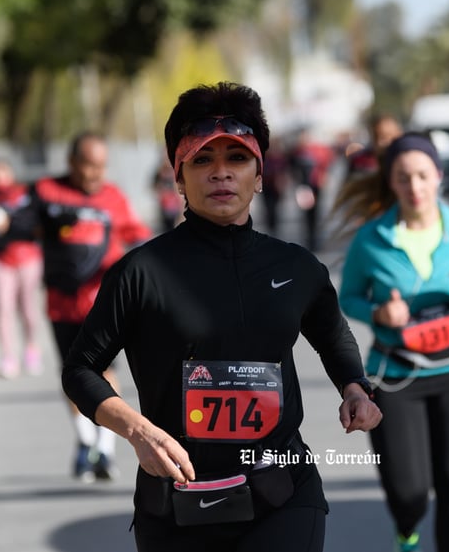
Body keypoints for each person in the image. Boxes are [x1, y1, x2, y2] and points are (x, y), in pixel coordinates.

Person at [61, 82, 383, 552]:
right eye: (202, 160)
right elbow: (80, 370)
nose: (220, 173)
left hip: (282, 489)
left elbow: (332, 336)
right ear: (179, 175)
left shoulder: (295, 267)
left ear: (258, 175)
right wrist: (137, 430)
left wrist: (355, 387)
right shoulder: (140, 273)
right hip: (177, 497)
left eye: (236, 159)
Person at [337, 132, 449, 552]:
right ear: (391, 182)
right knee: (409, 496)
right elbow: (348, 297)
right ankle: (406, 533)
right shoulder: (372, 239)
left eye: (423, 176)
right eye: (404, 177)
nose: (415, 187)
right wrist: (379, 313)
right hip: (395, 378)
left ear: (439, 176)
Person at [31, 132, 152, 482]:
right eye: (88, 165)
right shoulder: (47, 192)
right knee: (72, 376)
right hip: (62, 305)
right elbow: (23, 225)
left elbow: (138, 235)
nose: (94, 174)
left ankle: (105, 447)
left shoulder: (113, 197)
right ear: (72, 163)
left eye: (101, 166)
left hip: (105, 306)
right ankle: (85, 443)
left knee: (104, 372)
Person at [0, 160, 43, 379]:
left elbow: (34, 224)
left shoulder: (24, 195)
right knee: (3, 307)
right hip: (0, 260)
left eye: (1, 172)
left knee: (28, 308)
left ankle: (31, 347)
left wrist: (9, 222)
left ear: (10, 173)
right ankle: (8, 357)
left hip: (27, 257)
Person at [289, 129, 337, 251]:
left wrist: (324, 175)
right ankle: (309, 237)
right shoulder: (297, 151)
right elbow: (291, 167)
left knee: (316, 212)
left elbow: (328, 162)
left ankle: (316, 237)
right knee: (307, 213)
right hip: (304, 187)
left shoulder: (318, 149)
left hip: (316, 185)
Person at [346, 113, 403, 182]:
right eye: (376, 137)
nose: (380, 143)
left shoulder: (407, 162)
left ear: (399, 135)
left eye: (386, 137)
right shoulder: (360, 161)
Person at [152, 155, 184, 233]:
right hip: (165, 205)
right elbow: (154, 186)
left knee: (175, 225)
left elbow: (179, 188)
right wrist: (161, 192)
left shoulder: (175, 173)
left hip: (175, 204)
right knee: (166, 227)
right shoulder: (159, 173)